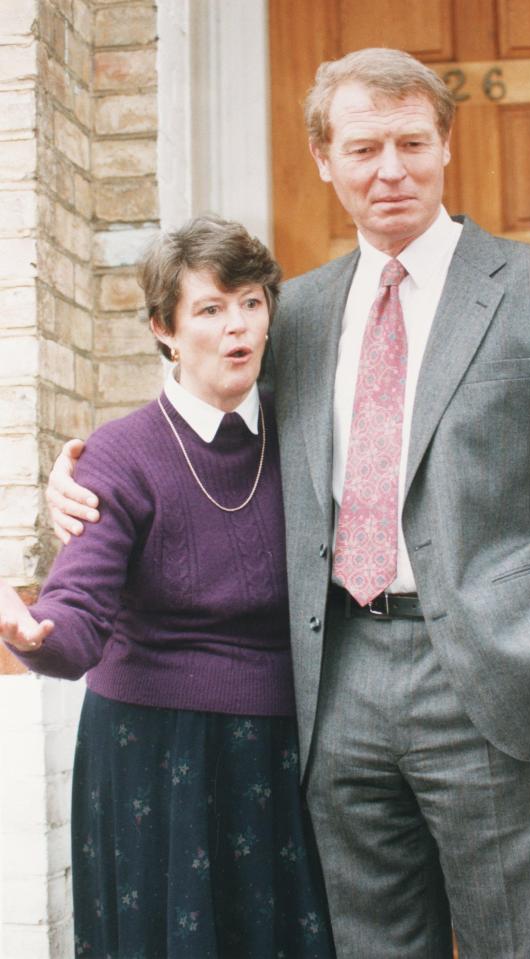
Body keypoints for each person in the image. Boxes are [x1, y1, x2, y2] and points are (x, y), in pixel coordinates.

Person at [45, 48, 530, 959]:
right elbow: (210, 418)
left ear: (446, 144)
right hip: (336, 685)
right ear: (324, 159)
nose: (390, 169)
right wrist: (78, 466)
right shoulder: (300, 313)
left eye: (411, 142)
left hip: (493, 678)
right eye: (364, 148)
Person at [1, 214, 335, 959]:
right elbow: (79, 609)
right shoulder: (119, 455)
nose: (237, 326)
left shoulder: (307, 434)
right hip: (150, 752)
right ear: (165, 329)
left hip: (277, 749)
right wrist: (34, 634)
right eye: (210, 309)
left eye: (250, 302)